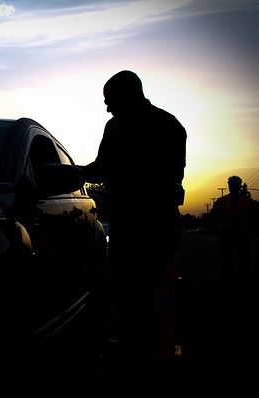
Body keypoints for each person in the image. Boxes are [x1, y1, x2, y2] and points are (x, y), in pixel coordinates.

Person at [80, 70, 187, 380]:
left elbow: (105, 168)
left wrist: (75, 174)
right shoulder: (169, 124)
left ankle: (142, 361)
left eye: (109, 100)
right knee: (137, 296)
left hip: (145, 226)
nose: (107, 107)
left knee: (139, 296)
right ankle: (142, 357)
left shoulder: (134, 127)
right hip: (148, 225)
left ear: (128, 94)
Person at [210, 175, 253, 296]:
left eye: (234, 185)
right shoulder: (224, 201)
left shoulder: (245, 201)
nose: (233, 188)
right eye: (232, 185)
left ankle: (237, 284)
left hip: (237, 234)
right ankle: (232, 284)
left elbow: (213, 217)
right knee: (232, 261)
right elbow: (214, 216)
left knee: (240, 261)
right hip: (230, 234)